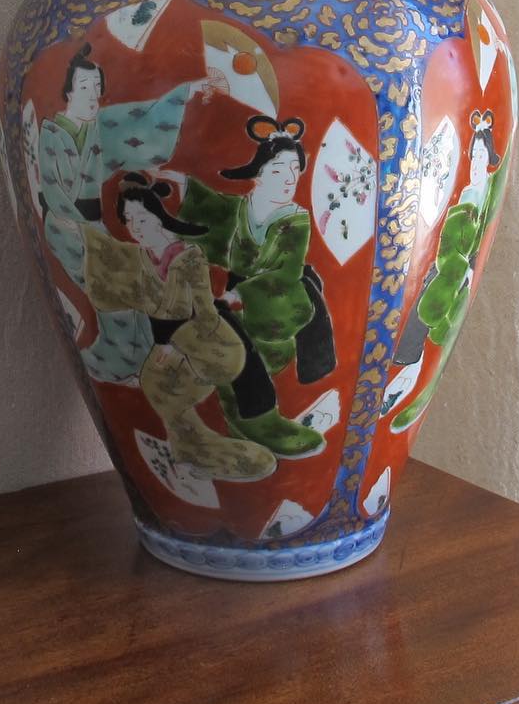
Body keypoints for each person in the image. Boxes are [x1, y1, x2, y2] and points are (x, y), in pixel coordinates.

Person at [37, 44, 221, 382]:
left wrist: (188, 92)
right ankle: (117, 361)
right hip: (66, 229)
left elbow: (141, 118)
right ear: (67, 91)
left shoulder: (100, 125)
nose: (93, 95)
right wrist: (79, 232)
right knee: (116, 286)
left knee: (136, 279)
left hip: (93, 228)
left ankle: (138, 359)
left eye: (97, 88)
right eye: (84, 88)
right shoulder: (51, 134)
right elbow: (51, 190)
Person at [81, 175, 276, 482]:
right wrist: (164, 344)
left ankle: (206, 448)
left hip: (208, 342)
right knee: (155, 382)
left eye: (143, 218)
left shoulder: (188, 257)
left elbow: (204, 313)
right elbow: (148, 307)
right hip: (169, 341)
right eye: (130, 220)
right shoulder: (141, 259)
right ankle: (192, 450)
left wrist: (176, 345)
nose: (136, 227)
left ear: (159, 218)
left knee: (174, 379)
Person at [178, 115, 334, 457]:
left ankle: (261, 419)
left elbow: (285, 272)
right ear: (258, 176)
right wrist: (180, 185)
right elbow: (214, 212)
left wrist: (240, 293)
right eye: (278, 171)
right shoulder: (241, 208)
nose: (288, 180)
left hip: (277, 305)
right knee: (228, 359)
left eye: (295, 171)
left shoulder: (295, 220)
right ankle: (246, 424)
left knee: (254, 360)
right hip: (233, 297)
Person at [388, 110, 508, 431]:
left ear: (490, 157)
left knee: (433, 300)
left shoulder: (485, 189)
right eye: (474, 155)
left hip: (455, 267)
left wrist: (465, 269)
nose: (476, 161)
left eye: (482, 155)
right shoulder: (468, 190)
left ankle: (409, 372)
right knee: (426, 295)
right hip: (445, 261)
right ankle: (405, 364)